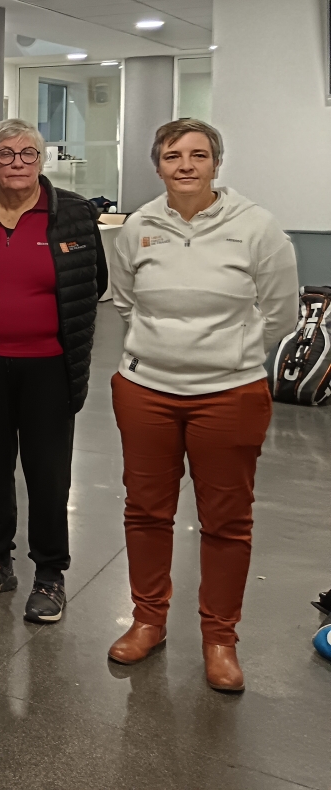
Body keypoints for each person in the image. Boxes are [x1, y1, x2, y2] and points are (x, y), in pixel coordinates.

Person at [107, 118, 297, 692]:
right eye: (172, 156)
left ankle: (220, 638)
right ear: (158, 165)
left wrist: (229, 356)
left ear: (216, 163)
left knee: (226, 521)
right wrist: (165, 349)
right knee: (146, 511)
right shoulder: (138, 227)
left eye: (198, 155)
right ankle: (148, 620)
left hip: (230, 395)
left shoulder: (257, 227)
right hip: (146, 390)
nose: (185, 165)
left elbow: (280, 314)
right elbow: (125, 303)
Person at [0, 119, 106, 624]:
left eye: (27, 154)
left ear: (41, 160)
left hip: (50, 367)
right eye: (5, 154)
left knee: (48, 472)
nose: (16, 163)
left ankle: (50, 574)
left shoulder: (74, 213)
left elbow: (95, 281)